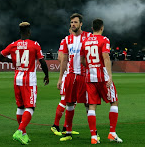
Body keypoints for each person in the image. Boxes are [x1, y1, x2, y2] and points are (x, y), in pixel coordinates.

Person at [0, 22, 49, 145]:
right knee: (30, 107)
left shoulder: (13, 45)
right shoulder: (34, 45)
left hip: (17, 78)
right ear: (29, 32)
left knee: (20, 107)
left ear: (20, 32)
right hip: (29, 80)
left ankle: (23, 134)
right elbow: (42, 62)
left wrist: (12, 61)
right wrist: (46, 75)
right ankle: (19, 131)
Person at [80, 18, 123, 144]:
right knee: (114, 101)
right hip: (102, 76)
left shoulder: (85, 40)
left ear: (92, 28)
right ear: (102, 28)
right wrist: (110, 75)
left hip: (89, 76)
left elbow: (82, 60)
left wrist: (89, 67)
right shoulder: (104, 40)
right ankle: (112, 133)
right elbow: (105, 57)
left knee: (92, 106)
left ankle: (93, 137)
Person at [56, 13, 91, 141]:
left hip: (85, 76)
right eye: (71, 23)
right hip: (70, 76)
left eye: (75, 22)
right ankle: (68, 132)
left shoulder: (89, 37)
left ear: (81, 23)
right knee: (69, 103)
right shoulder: (67, 39)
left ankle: (94, 134)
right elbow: (63, 60)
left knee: (88, 104)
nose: (73, 24)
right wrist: (60, 78)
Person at [51, 29, 79, 136]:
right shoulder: (65, 40)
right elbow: (60, 57)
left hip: (76, 75)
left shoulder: (79, 41)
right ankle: (55, 125)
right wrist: (68, 65)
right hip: (68, 75)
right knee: (64, 100)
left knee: (73, 102)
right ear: (69, 30)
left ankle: (66, 128)